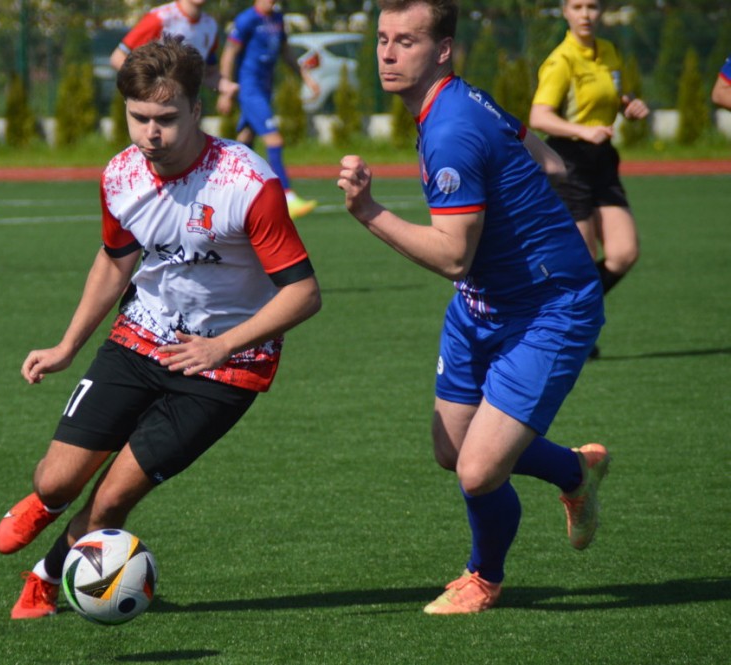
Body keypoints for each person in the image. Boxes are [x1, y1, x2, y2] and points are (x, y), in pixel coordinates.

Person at [0, 37, 321, 620]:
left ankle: (46, 576)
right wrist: (67, 345)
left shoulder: (248, 183)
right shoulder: (121, 175)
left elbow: (303, 293)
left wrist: (221, 345)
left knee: (112, 499)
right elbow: (114, 260)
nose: (151, 133)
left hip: (226, 368)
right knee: (56, 480)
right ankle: (49, 500)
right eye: (138, 117)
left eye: (166, 119)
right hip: (139, 338)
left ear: (196, 110)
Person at [337, 0, 610, 615]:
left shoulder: (450, 127)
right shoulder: (464, 99)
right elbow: (548, 159)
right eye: (382, 39)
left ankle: (483, 579)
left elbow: (454, 256)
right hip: (481, 306)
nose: (387, 53)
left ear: (442, 50)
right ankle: (574, 472)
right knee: (452, 451)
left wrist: (368, 212)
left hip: (549, 307)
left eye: (406, 41)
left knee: (478, 471)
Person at [529, 0, 649, 358]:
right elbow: (539, 117)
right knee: (581, 261)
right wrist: (582, 131)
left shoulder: (608, 51)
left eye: (592, 7)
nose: (585, 15)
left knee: (624, 253)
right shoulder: (560, 60)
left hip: (602, 161)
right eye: (577, 6)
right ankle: (570, 329)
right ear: (565, 11)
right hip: (568, 162)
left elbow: (611, 94)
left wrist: (628, 105)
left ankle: (565, 317)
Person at [218, 0, 320, 220]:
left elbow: (286, 52)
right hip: (250, 89)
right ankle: (287, 197)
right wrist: (225, 90)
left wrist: (306, 79)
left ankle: (227, 192)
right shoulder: (246, 20)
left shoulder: (277, 19)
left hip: (265, 89)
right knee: (275, 141)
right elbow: (229, 53)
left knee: (244, 140)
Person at [109, 0, 236, 99]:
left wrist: (227, 87)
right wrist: (148, 87)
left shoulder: (210, 25)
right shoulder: (160, 17)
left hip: (187, 106)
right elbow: (118, 58)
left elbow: (208, 73)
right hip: (158, 107)